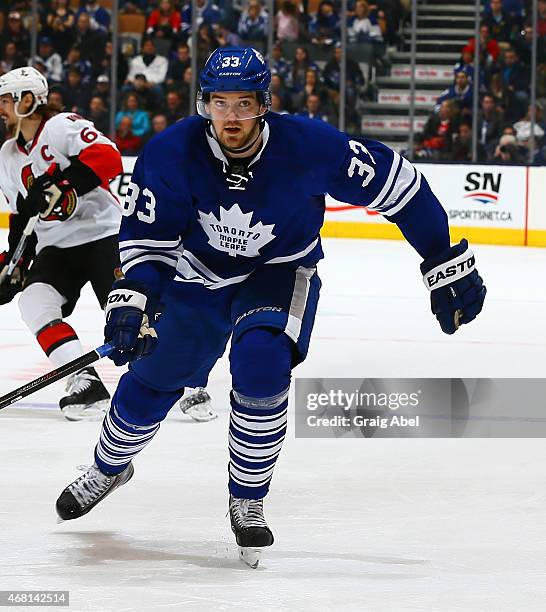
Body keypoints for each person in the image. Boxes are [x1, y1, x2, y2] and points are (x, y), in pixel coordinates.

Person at [55, 47, 486, 567]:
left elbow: (402, 188)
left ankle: (248, 499)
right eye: (219, 102)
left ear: (264, 104)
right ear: (203, 104)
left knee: (262, 363)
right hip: (198, 276)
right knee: (152, 379)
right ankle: (110, 465)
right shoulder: (170, 153)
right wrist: (134, 301)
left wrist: (442, 258)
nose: (230, 116)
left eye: (243, 103)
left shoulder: (311, 146)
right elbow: (148, 241)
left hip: (279, 272)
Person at [0, 67, 123, 420]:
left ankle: (189, 382)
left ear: (28, 99)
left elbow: (109, 157)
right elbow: (22, 217)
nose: (2, 108)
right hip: (56, 246)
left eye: (6, 100)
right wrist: (15, 263)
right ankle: (84, 381)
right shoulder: (7, 156)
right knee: (35, 302)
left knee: (127, 311)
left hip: (103, 233)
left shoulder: (60, 126)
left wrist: (64, 184)